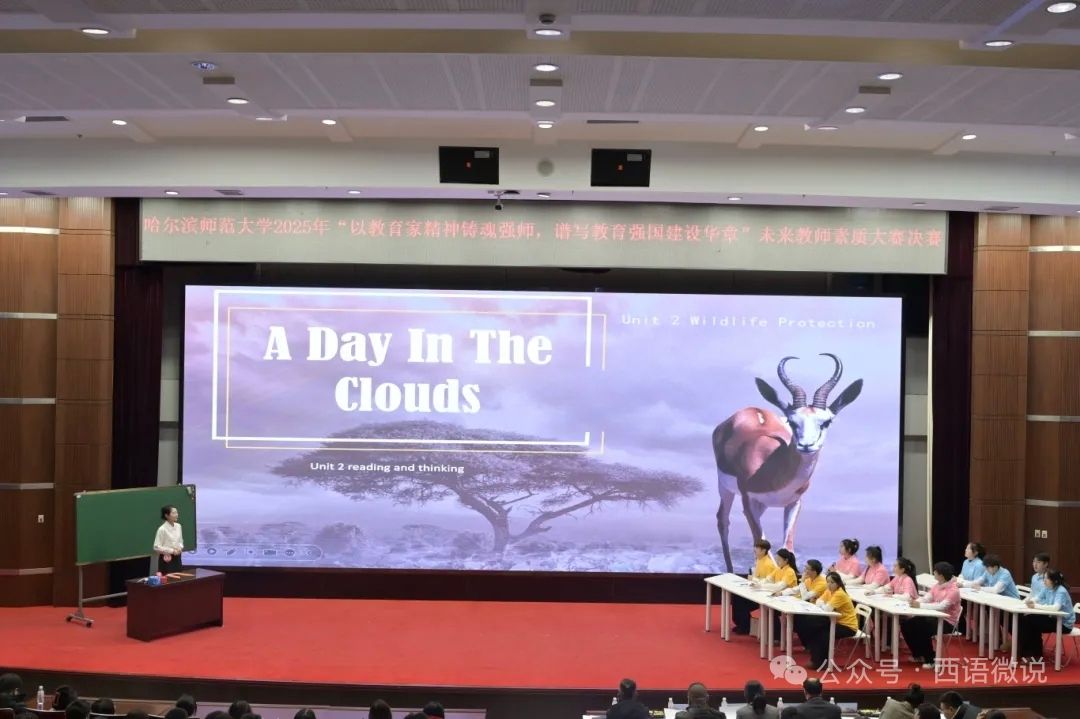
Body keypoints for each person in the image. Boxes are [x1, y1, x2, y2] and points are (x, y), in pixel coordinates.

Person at [901, 561, 961, 667]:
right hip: (934, 616)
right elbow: (927, 598)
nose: (933, 573)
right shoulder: (937, 585)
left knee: (922, 627)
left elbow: (942, 606)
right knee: (907, 624)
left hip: (947, 621)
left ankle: (930, 659)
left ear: (941, 575)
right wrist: (915, 602)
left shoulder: (954, 590)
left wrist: (920, 606)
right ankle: (918, 654)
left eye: (935, 571)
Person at [796, 571, 858, 670]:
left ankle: (821, 662)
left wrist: (824, 605)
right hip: (835, 621)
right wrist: (823, 604)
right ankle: (816, 659)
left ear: (838, 583)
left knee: (822, 634)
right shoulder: (829, 591)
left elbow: (827, 609)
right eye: (828, 582)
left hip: (847, 626)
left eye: (832, 582)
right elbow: (818, 601)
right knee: (814, 628)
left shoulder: (839, 594)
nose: (829, 584)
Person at [1017, 568, 1075, 659]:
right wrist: (1029, 602)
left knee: (1032, 623)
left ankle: (1035, 654)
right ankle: (1028, 652)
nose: (1044, 580)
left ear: (1055, 581)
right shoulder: (1047, 587)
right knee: (1027, 619)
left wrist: (1035, 606)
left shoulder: (1061, 591)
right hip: (1053, 618)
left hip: (1064, 624)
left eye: (1046, 578)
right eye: (1044, 578)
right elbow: (1037, 598)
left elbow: (1055, 608)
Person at [731, 539, 778, 634]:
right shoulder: (759, 560)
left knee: (741, 602)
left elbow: (769, 582)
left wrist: (755, 581)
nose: (754, 549)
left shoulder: (769, 564)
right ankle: (741, 624)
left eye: (757, 548)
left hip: (763, 594)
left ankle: (745, 627)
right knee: (736, 597)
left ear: (763, 550)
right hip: (756, 590)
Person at [752, 548, 799, 641]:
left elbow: (779, 587)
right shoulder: (778, 569)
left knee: (771, 610)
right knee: (766, 608)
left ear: (786, 560)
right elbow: (768, 579)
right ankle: (768, 634)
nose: (777, 561)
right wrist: (758, 583)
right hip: (779, 597)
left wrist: (761, 586)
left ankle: (777, 637)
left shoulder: (790, 571)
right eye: (776, 559)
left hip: (789, 600)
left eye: (779, 560)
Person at [154, 504, 185, 572]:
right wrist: (172, 551)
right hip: (167, 559)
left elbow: (181, 541)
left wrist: (180, 547)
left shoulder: (178, 526)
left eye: (177, 512)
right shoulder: (162, 529)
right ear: (166, 515)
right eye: (173, 513)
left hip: (177, 557)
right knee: (168, 577)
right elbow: (156, 547)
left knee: (179, 576)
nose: (176, 515)